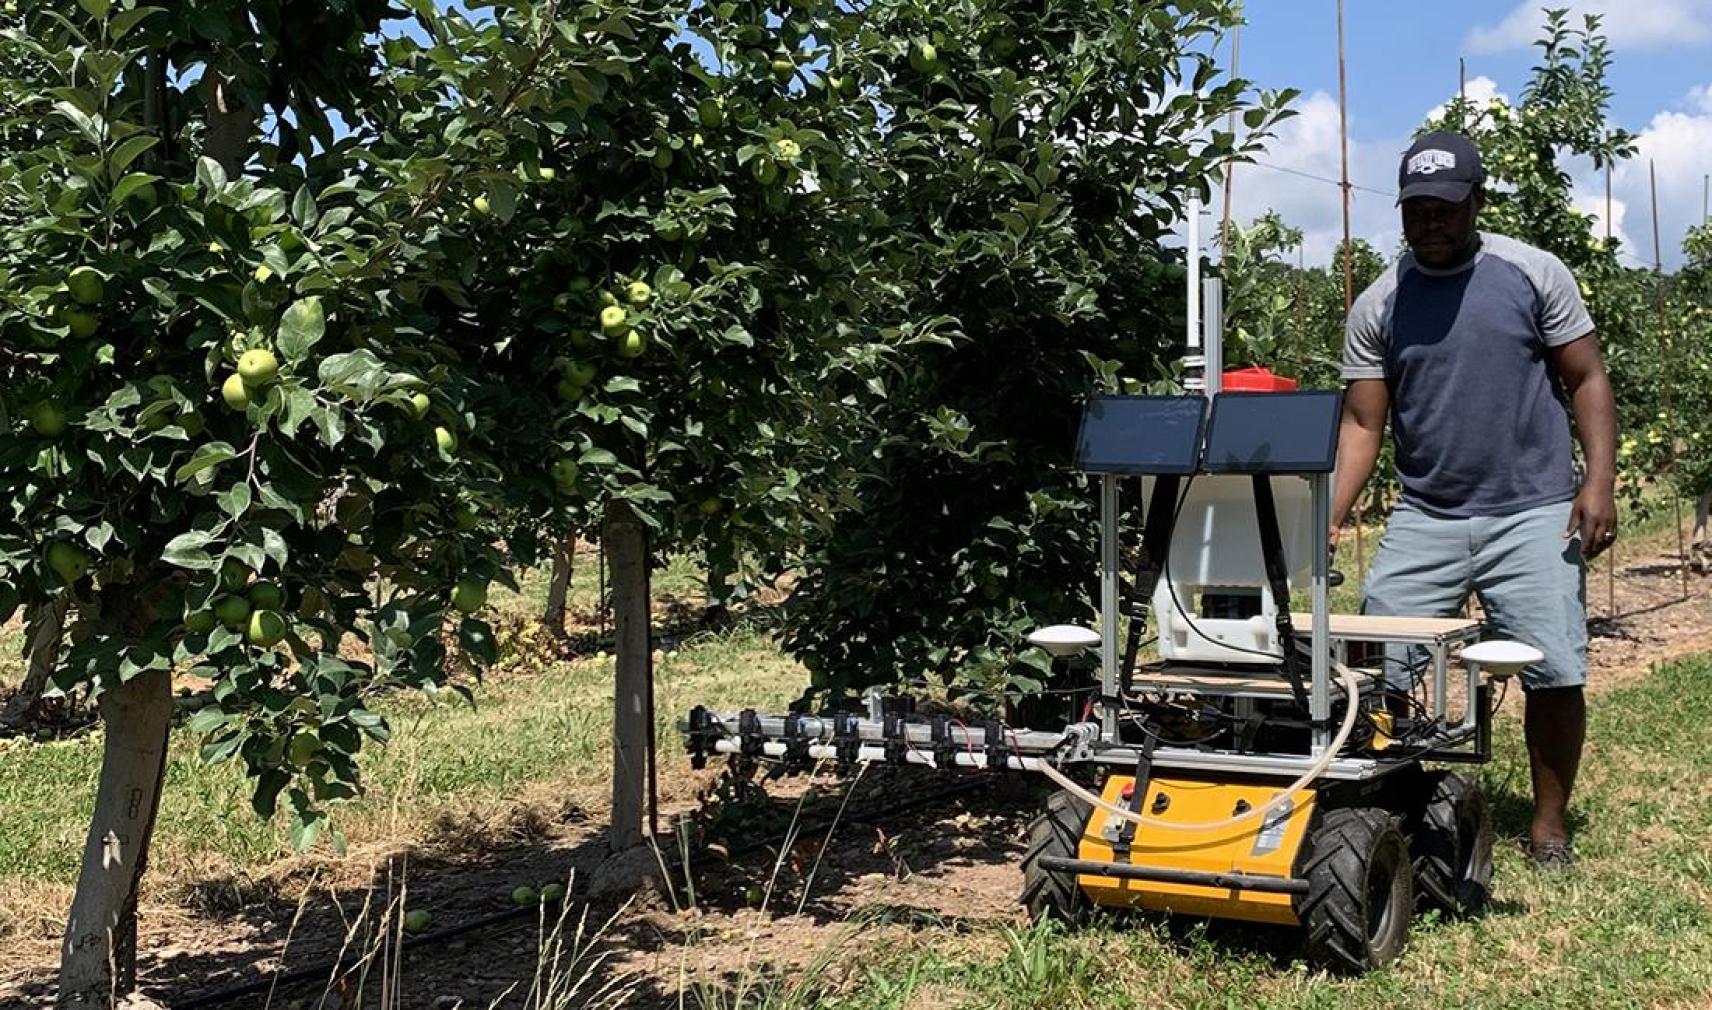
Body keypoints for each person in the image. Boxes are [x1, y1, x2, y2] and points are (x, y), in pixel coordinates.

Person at [1332, 129, 1619, 869]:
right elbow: (1364, 424)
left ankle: (1548, 828)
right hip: (1427, 511)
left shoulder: (1532, 273)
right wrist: (1326, 516)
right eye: (1417, 209)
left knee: (1553, 669)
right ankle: (1392, 801)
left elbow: (1587, 377)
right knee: (1376, 664)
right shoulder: (1379, 303)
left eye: (1446, 208)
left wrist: (1598, 481)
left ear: (1477, 202)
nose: (1431, 222)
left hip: (1533, 510)